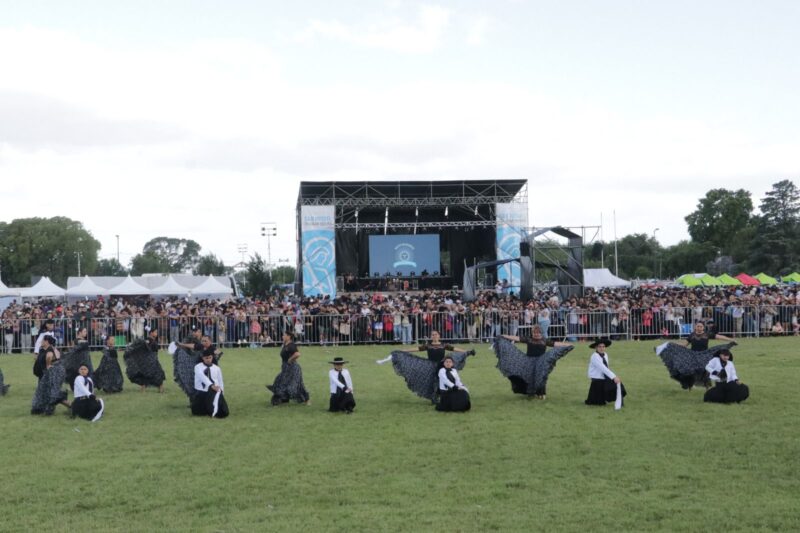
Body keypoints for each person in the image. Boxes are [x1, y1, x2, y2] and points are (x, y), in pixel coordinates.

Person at [376, 330, 475, 404]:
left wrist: (466, 352)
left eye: (436, 334)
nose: (434, 336)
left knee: (443, 381)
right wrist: (404, 351)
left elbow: (455, 349)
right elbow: (416, 349)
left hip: (442, 365)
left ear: (439, 336)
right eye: (432, 335)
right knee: (431, 382)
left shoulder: (444, 345)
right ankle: (434, 398)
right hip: (430, 365)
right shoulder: (428, 345)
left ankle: (444, 397)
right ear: (431, 336)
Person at [495, 326, 573, 399]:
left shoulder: (544, 340)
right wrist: (504, 336)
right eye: (534, 332)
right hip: (529, 361)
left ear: (541, 333)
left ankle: (542, 393)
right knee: (529, 377)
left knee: (541, 376)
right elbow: (516, 338)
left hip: (541, 361)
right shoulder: (529, 339)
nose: (536, 334)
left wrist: (567, 344)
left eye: (538, 332)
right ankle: (532, 392)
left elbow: (556, 344)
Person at [654, 322, 736, 390]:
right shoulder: (691, 335)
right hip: (692, 355)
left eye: (701, 326)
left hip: (704, 355)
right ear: (695, 327)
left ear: (703, 327)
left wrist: (730, 340)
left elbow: (719, 337)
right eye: (698, 326)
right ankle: (689, 384)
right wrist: (672, 344)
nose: (699, 328)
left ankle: (706, 386)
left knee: (705, 370)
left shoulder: (707, 334)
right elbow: (684, 345)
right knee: (689, 369)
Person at [31, 335, 71, 415]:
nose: (41, 342)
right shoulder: (45, 349)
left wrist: (48, 365)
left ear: (47, 342)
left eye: (42, 340)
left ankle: (72, 406)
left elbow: (49, 357)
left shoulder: (50, 349)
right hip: (54, 372)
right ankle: (45, 408)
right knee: (47, 391)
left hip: (55, 372)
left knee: (53, 393)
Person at [266, 332, 310, 406]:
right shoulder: (285, 345)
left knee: (295, 385)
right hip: (286, 368)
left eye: (284, 335)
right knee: (280, 381)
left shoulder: (291, 345)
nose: (282, 336)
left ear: (289, 337)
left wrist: (290, 359)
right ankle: (284, 398)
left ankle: (306, 399)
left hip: (293, 368)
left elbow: (297, 354)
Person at [585, 338, 626, 407]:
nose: (602, 348)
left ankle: (619, 400)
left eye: (603, 347)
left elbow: (607, 367)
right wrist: (614, 377)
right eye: (600, 347)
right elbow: (603, 368)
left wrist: (612, 377)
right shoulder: (594, 356)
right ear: (596, 347)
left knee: (619, 384)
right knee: (599, 403)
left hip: (604, 377)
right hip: (597, 379)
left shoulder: (605, 355)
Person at [191, 351, 229, 418]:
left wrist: (221, 393)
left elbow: (220, 381)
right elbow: (202, 377)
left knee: (222, 412)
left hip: (213, 391)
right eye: (206, 358)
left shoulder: (217, 368)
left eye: (210, 357)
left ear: (212, 357)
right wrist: (211, 385)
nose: (208, 359)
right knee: (197, 412)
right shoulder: (198, 367)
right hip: (201, 391)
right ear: (203, 358)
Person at [63, 326, 94, 392]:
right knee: (81, 372)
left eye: (86, 331)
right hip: (81, 360)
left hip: (83, 358)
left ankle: (82, 386)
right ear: (80, 332)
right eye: (84, 331)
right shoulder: (79, 341)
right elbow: (77, 347)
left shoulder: (79, 340)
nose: (86, 333)